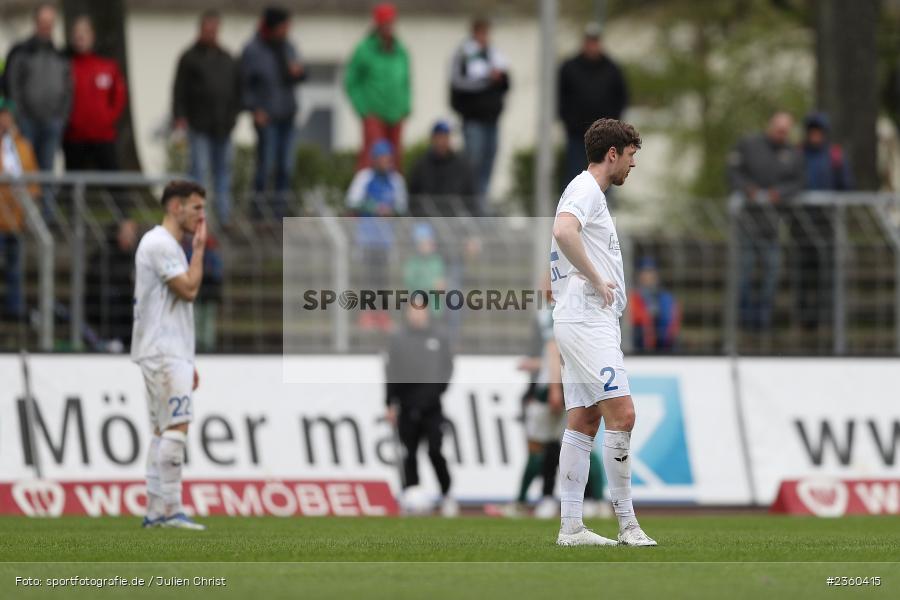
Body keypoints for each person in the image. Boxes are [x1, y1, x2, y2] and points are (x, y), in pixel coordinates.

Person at [550, 118, 655, 546]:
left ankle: (571, 526)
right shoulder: (586, 189)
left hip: (580, 316)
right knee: (623, 414)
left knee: (585, 418)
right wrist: (594, 279)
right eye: (630, 155)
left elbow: (559, 242)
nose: (632, 164)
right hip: (587, 317)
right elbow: (562, 231)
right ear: (612, 153)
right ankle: (628, 524)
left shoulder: (586, 192)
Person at [132, 180, 208, 530]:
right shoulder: (160, 243)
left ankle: (153, 513)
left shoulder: (168, 245)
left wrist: (187, 360)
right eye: (196, 208)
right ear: (175, 207)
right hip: (164, 351)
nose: (201, 216)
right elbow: (189, 290)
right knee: (175, 429)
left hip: (167, 350)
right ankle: (173, 510)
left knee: (162, 431)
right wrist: (200, 249)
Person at [727, 112, 804, 331]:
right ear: (770, 126)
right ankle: (743, 320)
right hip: (747, 223)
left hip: (772, 225)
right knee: (745, 273)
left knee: (772, 274)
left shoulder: (792, 153)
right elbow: (733, 172)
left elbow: (799, 181)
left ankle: (763, 320)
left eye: (785, 131)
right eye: (779, 129)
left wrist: (779, 193)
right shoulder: (749, 145)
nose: (781, 135)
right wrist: (747, 190)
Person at [385, 303, 456, 517]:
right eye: (413, 311)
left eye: (420, 310)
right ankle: (411, 496)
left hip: (432, 407)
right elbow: (391, 372)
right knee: (410, 454)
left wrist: (438, 390)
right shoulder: (398, 338)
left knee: (435, 450)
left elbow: (448, 366)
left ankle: (447, 494)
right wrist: (390, 403)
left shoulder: (438, 337)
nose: (417, 315)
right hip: (407, 407)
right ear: (408, 313)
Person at [4, 3, 71, 221]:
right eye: (43, 23)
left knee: (47, 168)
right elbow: (13, 84)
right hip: (27, 121)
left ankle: (47, 214)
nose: (46, 27)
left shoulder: (59, 55)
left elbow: (68, 88)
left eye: (50, 23)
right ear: (36, 23)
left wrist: (61, 117)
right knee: (25, 167)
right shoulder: (22, 52)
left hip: (52, 121)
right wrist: (18, 115)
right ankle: (24, 214)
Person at [174, 11, 241, 225]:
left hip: (223, 126)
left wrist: (232, 117)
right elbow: (179, 90)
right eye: (207, 29)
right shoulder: (189, 58)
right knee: (198, 172)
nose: (211, 34)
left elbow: (237, 91)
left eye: (214, 30)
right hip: (199, 125)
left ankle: (223, 216)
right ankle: (197, 216)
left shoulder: (226, 58)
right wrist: (180, 116)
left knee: (223, 174)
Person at [241, 6, 305, 219]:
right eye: (285, 26)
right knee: (265, 167)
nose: (288, 30)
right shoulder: (253, 50)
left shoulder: (288, 47)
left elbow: (301, 74)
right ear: (274, 26)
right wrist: (254, 109)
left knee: (285, 167)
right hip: (266, 117)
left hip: (287, 115)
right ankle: (258, 213)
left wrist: (299, 71)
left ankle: (279, 214)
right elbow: (244, 85)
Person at [792, 112, 852, 334]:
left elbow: (846, 185)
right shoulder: (797, 154)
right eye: (812, 130)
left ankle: (826, 319)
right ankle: (804, 320)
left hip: (826, 224)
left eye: (819, 131)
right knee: (801, 275)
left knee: (827, 274)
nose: (815, 135)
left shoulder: (835, 156)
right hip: (800, 223)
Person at [346, 139, 407, 331]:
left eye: (388, 158)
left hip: (385, 238)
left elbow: (402, 207)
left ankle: (382, 313)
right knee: (368, 277)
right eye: (382, 158)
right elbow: (352, 202)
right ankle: (367, 313)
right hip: (367, 236)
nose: (385, 161)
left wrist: (390, 211)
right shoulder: (364, 177)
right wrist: (373, 207)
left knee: (383, 278)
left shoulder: (396, 180)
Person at [558, 23, 628, 186]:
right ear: (584, 43)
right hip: (577, 136)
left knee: (605, 178)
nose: (592, 45)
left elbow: (622, 98)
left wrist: (613, 126)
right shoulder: (569, 67)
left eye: (595, 41)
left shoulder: (612, 69)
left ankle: (602, 210)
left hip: (605, 138)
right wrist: (568, 121)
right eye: (589, 41)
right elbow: (560, 98)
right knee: (575, 178)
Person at [449, 17, 510, 202]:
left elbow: (506, 83)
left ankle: (481, 203)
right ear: (474, 33)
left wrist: (499, 79)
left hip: (492, 118)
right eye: (481, 33)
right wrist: (485, 81)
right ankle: (469, 203)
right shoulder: (463, 54)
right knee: (472, 163)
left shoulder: (494, 55)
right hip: (473, 119)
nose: (485, 37)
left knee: (488, 163)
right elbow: (457, 83)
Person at [345, 2, 410, 170]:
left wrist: (406, 107)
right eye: (385, 23)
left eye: (391, 23)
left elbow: (406, 81)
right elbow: (351, 82)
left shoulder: (400, 50)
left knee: (395, 159)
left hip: (396, 114)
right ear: (378, 25)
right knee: (373, 156)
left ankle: (395, 194)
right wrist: (364, 110)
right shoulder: (364, 49)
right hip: (374, 114)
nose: (389, 27)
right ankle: (365, 194)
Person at [64, 16, 126, 172]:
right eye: (77, 33)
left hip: (103, 136)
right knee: (73, 182)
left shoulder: (107, 66)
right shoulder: (66, 66)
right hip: (74, 136)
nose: (80, 36)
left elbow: (119, 97)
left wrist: (107, 119)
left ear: (92, 35)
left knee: (114, 182)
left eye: (84, 32)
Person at [0, 97, 38, 323]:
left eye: (6, 115)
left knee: (15, 269)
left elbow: (32, 177)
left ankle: (14, 311)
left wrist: (31, 198)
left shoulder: (22, 145)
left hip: (17, 218)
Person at [86, 219, 138, 352]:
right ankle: (113, 341)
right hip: (107, 306)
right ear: (118, 234)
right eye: (128, 232)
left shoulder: (135, 254)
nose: (132, 236)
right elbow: (98, 278)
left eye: (133, 232)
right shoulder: (104, 253)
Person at [407, 120, 477, 217]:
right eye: (439, 137)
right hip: (427, 218)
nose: (441, 142)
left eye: (445, 137)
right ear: (433, 139)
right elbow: (412, 197)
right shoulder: (421, 165)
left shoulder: (462, 166)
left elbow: (470, 199)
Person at [628, 257, 680, 353]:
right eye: (644, 272)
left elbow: (672, 323)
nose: (647, 276)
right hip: (639, 343)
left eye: (650, 272)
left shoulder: (665, 297)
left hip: (663, 344)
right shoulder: (633, 296)